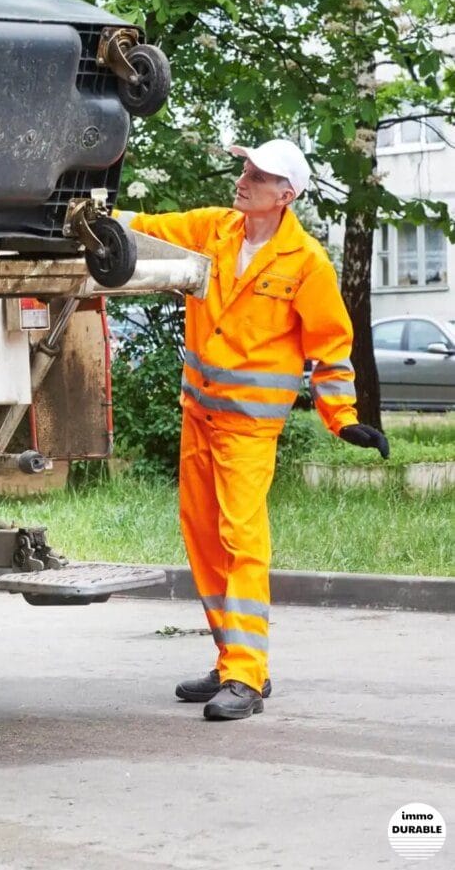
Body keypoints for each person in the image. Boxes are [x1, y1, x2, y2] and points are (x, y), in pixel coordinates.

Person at [121, 138, 388, 722]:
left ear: (285, 196)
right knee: (204, 538)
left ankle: (247, 676)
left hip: (247, 431)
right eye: (245, 166)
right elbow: (139, 227)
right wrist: (78, 216)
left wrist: (341, 419)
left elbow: (330, 349)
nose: (243, 177)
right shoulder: (216, 230)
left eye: (259, 174)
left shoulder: (306, 263)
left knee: (243, 543)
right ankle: (230, 661)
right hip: (200, 416)